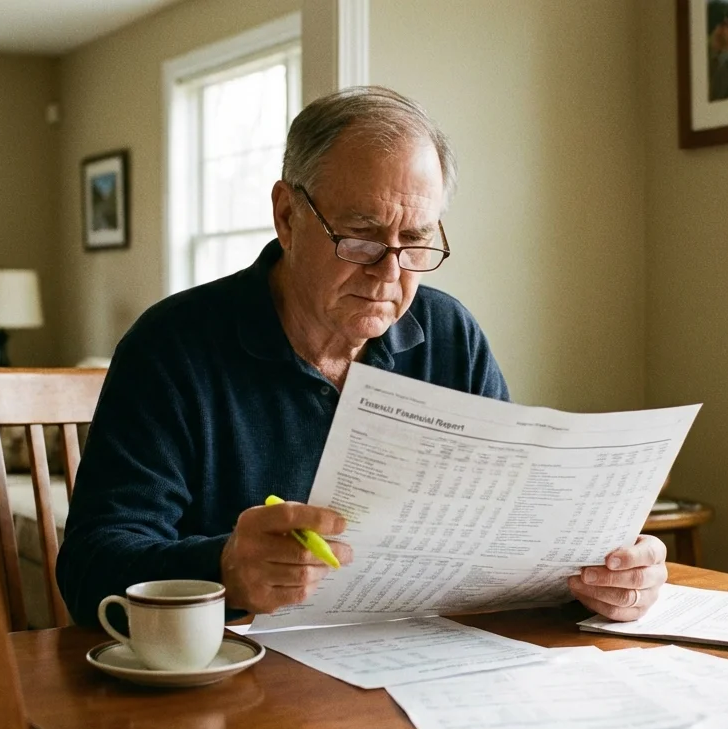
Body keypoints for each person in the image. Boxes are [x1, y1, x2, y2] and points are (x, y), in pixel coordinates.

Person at [56, 85, 668, 627]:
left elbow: (506, 536)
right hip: (237, 691)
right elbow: (89, 569)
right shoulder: (171, 348)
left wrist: (605, 580)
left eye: (415, 240)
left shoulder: (449, 334)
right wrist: (221, 568)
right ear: (287, 216)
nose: (390, 272)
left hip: (419, 671)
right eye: (363, 236)